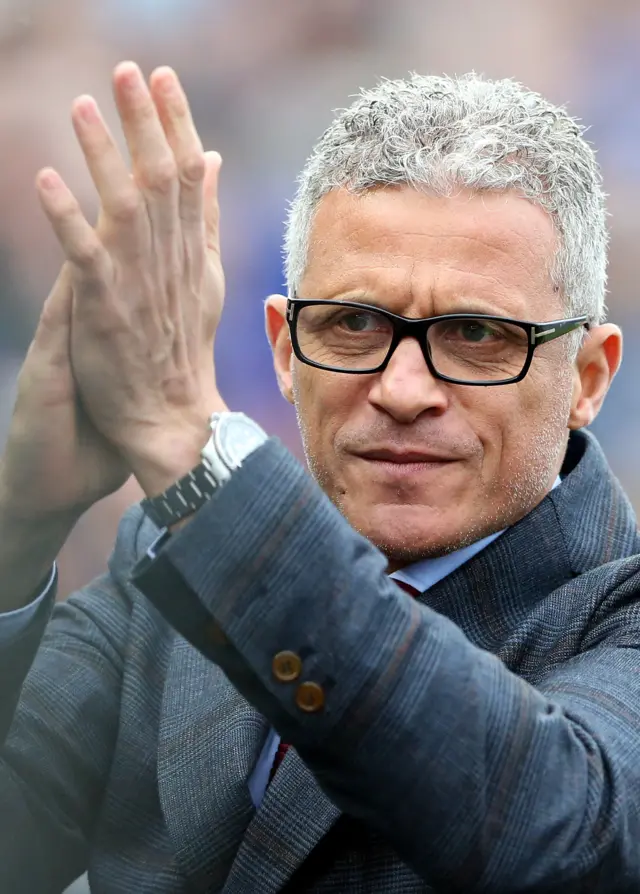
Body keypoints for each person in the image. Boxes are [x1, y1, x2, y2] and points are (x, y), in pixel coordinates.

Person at [0, 60, 638, 894]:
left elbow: (551, 833)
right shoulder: (167, 563)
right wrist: (20, 529)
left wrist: (194, 454)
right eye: (352, 324)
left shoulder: (614, 619)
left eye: (477, 334)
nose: (403, 390)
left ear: (588, 377)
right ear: (283, 351)